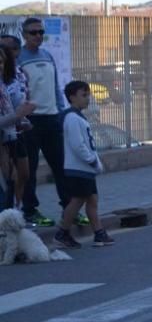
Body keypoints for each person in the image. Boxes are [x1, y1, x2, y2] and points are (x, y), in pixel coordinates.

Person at [18, 17, 70, 227]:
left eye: (41, 32)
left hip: (52, 119)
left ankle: (70, 208)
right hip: (30, 122)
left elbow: (56, 87)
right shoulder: (18, 59)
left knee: (61, 167)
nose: (38, 36)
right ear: (24, 35)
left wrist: (62, 112)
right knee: (29, 170)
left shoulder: (48, 56)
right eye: (33, 32)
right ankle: (30, 211)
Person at [54, 81, 114, 249]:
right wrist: (92, 160)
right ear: (72, 97)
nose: (88, 99)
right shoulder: (72, 118)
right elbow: (78, 145)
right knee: (77, 201)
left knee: (92, 199)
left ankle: (99, 233)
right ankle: (62, 232)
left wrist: (95, 162)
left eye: (88, 95)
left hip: (85, 168)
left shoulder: (79, 117)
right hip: (78, 168)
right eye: (83, 95)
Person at [0, 44, 32, 210]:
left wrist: (22, 120)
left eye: (2, 62)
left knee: (14, 179)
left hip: (11, 138)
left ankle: (15, 213)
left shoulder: (5, 84)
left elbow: (11, 110)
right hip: (4, 143)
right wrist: (18, 115)